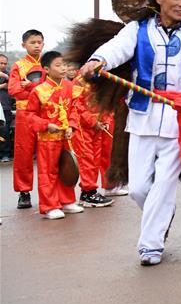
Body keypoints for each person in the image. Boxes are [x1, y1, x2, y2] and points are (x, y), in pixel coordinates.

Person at [81, 0, 181, 266]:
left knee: (164, 182)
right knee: (138, 188)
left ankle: (150, 246)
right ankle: (163, 213)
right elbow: (116, 49)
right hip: (142, 116)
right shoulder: (136, 30)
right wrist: (98, 61)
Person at [22, 51, 84, 220]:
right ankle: (49, 206)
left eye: (64, 64)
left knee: (67, 168)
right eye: (58, 65)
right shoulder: (39, 91)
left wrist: (71, 125)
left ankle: (67, 201)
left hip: (65, 137)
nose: (63, 68)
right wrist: (46, 125)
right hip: (47, 139)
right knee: (48, 172)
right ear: (46, 69)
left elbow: (75, 109)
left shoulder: (69, 87)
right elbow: (30, 115)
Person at [9, 29, 46, 210]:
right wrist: (39, 90)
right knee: (23, 154)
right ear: (24, 45)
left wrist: (31, 86)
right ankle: (24, 193)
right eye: (33, 42)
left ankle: (49, 192)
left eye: (39, 42)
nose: (37, 45)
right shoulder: (19, 65)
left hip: (46, 113)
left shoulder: (48, 65)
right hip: (25, 114)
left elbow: (54, 87)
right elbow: (14, 90)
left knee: (48, 154)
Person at [70, 76, 115, 207]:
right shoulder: (79, 80)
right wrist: (93, 121)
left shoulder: (103, 78)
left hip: (98, 125)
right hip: (83, 126)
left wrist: (106, 120)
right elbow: (76, 104)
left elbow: (107, 101)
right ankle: (90, 192)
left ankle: (87, 193)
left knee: (95, 159)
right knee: (87, 159)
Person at [0, 54, 13, 162]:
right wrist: (1, 86)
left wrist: (6, 78)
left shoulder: (9, 74)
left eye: (5, 63)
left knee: (4, 130)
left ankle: (5, 154)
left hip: (5, 106)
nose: (3, 65)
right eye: (1, 63)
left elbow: (12, 86)